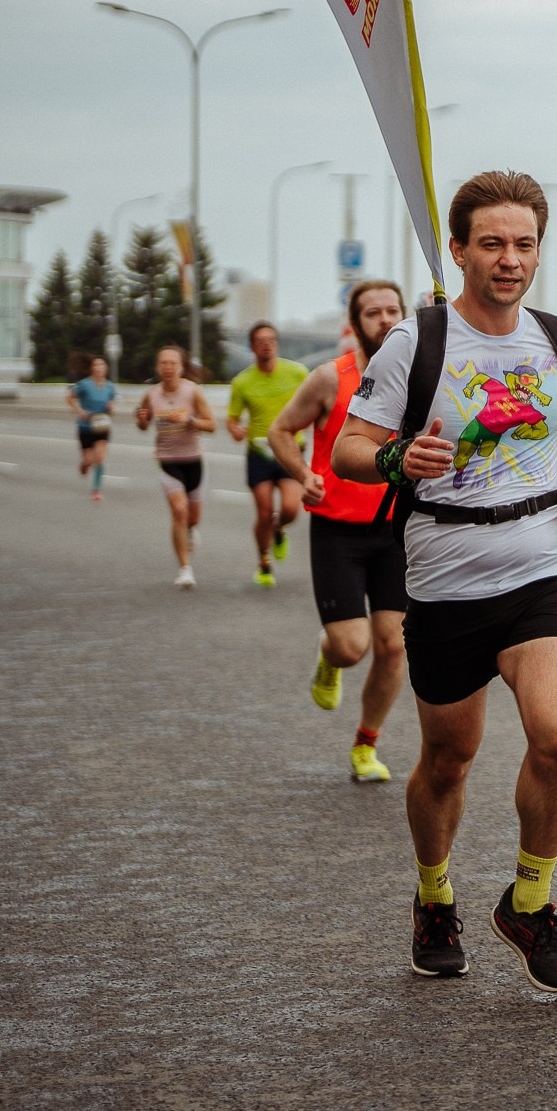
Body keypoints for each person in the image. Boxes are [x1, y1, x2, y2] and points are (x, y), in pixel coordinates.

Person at [334, 171, 557, 993]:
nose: (510, 259)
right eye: (491, 243)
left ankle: (530, 901)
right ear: (457, 250)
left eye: (524, 244)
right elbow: (349, 447)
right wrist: (394, 458)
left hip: (540, 562)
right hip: (446, 576)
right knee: (450, 760)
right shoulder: (417, 343)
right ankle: (434, 895)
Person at [270, 280, 411, 784]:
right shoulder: (330, 378)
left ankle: (366, 744)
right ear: (354, 325)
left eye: (393, 309)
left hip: (397, 528)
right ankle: (329, 656)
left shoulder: (422, 374)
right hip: (338, 530)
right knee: (353, 647)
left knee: (393, 645)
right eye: (373, 312)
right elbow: (280, 430)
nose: (385, 320)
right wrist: (302, 473)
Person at [226, 322, 309, 588]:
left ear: (277, 343)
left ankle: (279, 528)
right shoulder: (242, 382)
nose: (267, 344)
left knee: (290, 508)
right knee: (263, 512)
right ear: (251, 347)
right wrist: (236, 430)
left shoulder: (297, 372)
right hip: (259, 452)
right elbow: (232, 418)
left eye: (271, 340)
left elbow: (315, 402)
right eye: (260, 341)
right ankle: (263, 562)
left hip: (290, 449)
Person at [134, 345, 214, 588]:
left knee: (193, 517)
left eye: (173, 363)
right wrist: (141, 419)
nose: (168, 368)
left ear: (181, 367)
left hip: (194, 460)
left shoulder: (193, 392)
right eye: (163, 363)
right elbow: (143, 422)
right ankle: (185, 568)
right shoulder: (152, 394)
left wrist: (189, 420)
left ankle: (190, 530)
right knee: (179, 510)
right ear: (158, 367)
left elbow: (211, 425)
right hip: (167, 460)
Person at [68, 355, 118, 500]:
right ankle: (84, 465)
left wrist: (111, 408)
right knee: (89, 460)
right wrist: (80, 411)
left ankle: (96, 490)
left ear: (105, 368)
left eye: (101, 365)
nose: (98, 368)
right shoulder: (84, 384)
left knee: (100, 458)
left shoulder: (110, 387)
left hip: (102, 425)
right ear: (92, 369)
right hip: (86, 426)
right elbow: (70, 398)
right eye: (95, 365)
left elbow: (112, 407)